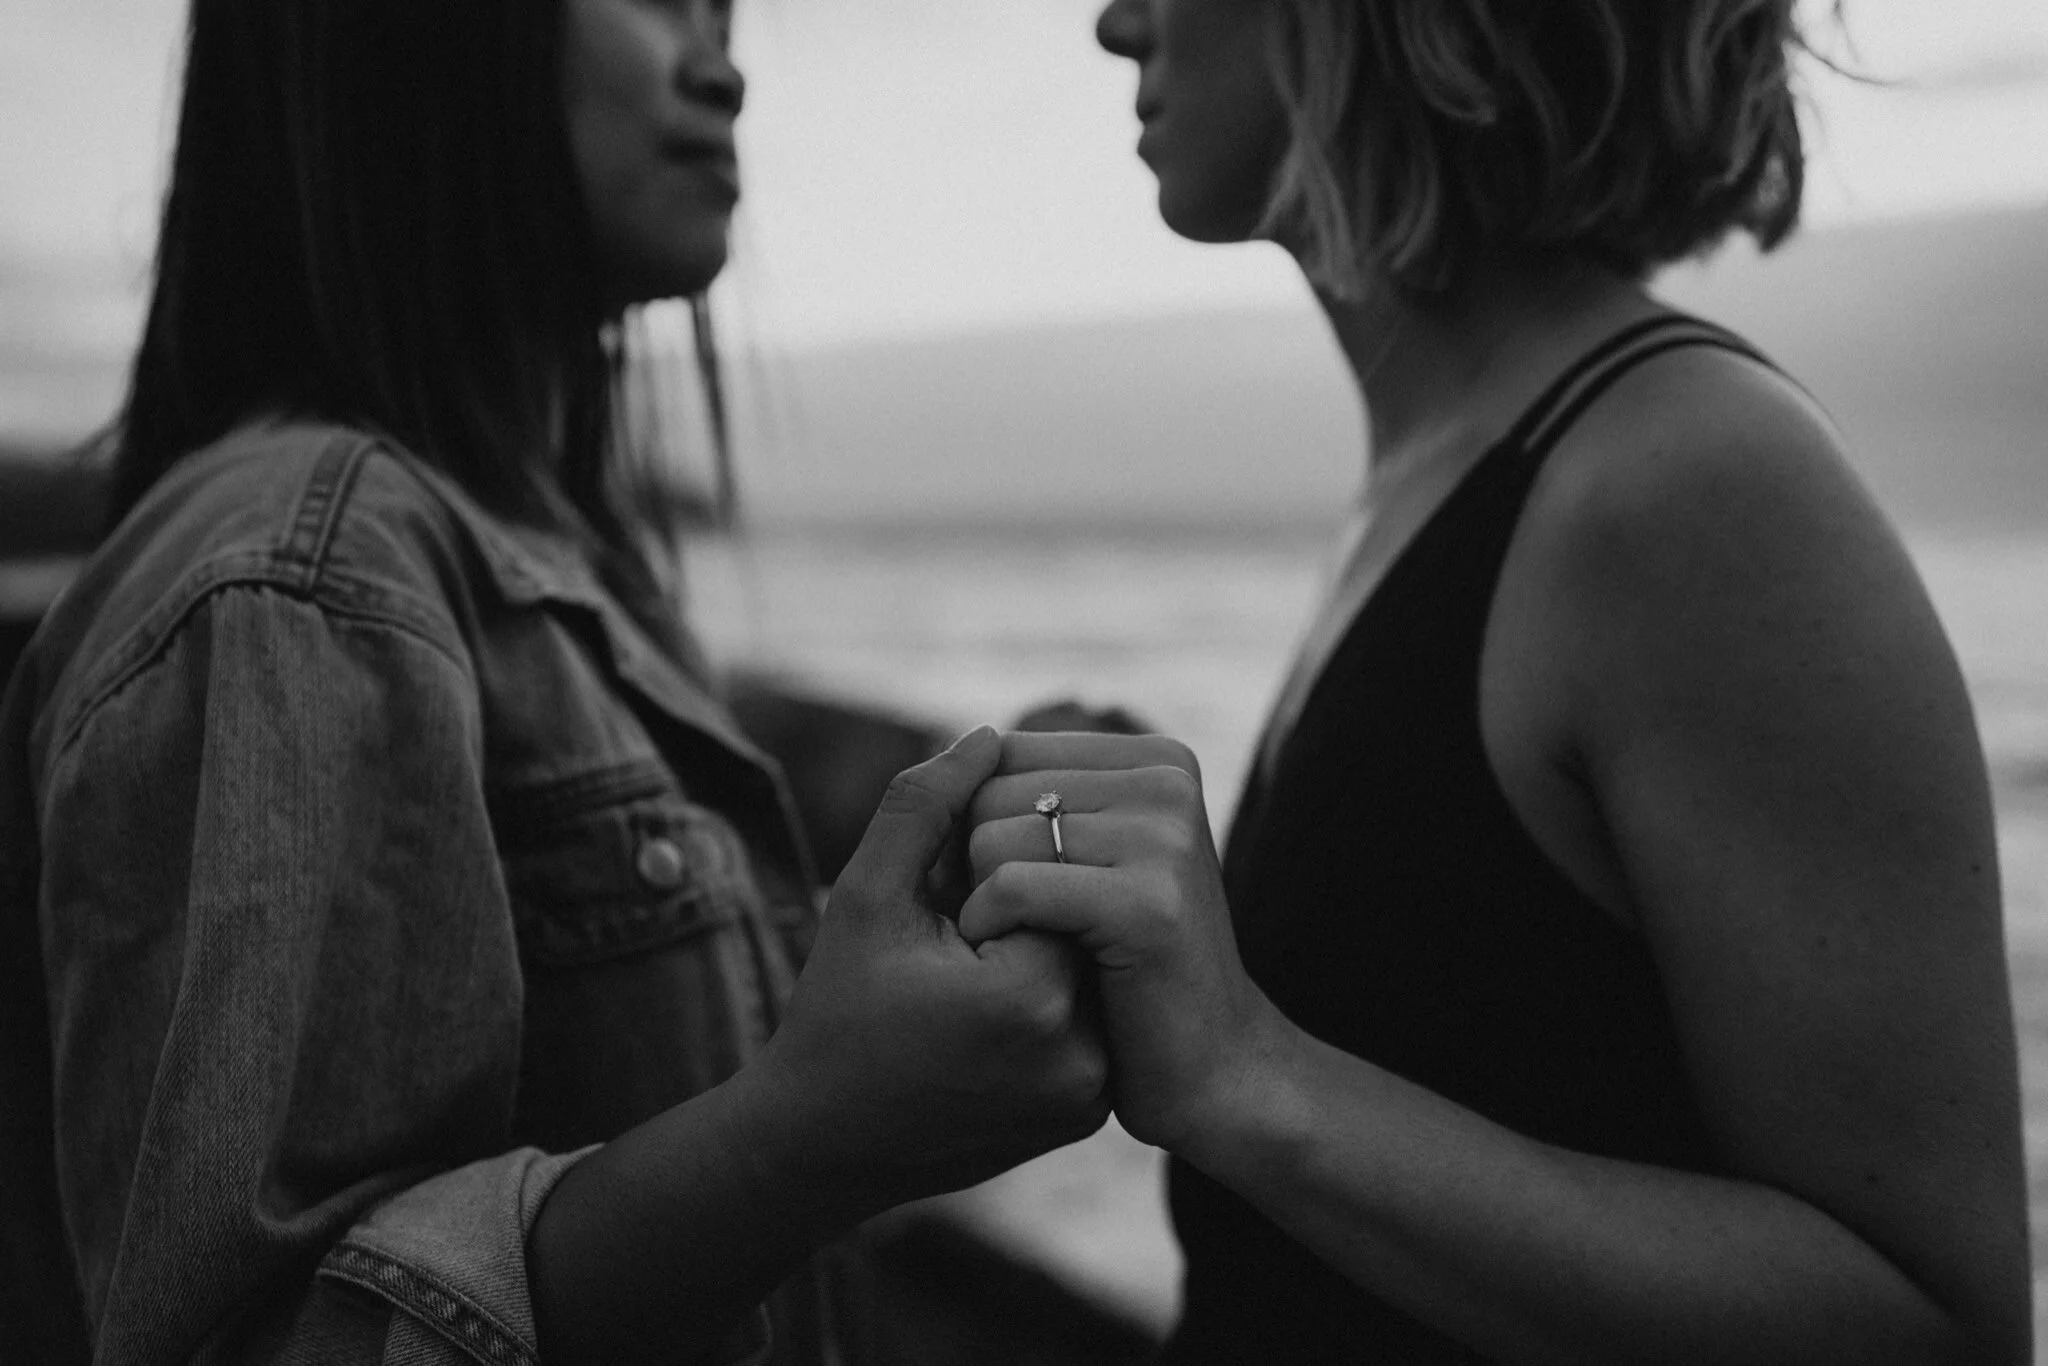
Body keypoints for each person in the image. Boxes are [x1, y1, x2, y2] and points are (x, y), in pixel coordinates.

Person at [0, 1, 1111, 1362]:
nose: (722, 67)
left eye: (720, 10)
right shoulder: (303, 584)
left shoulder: (532, 561)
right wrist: (817, 1132)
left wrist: (907, 912)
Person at [959, 0, 2034, 1361]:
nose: (1117, 23)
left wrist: (1246, 1071)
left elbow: (1936, 1322)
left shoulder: (1687, 477)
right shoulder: (1449, 472)